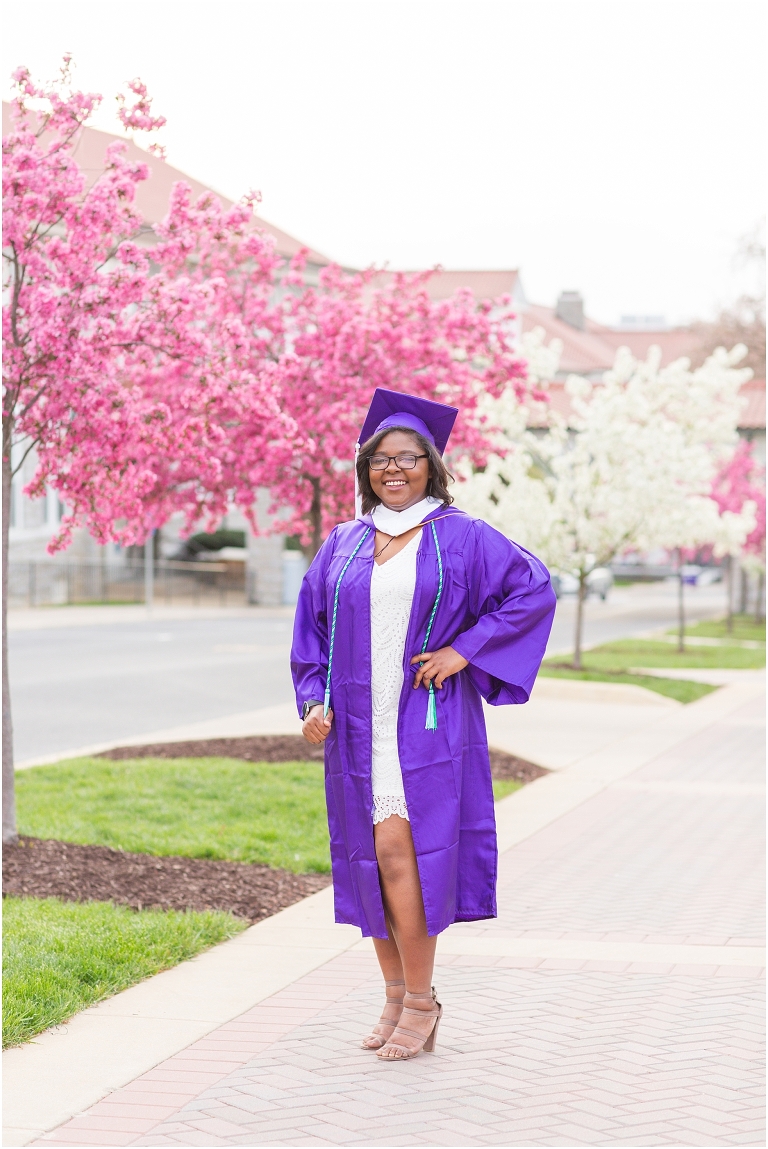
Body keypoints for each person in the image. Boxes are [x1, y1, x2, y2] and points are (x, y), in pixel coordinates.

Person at [291, 388, 555, 1060]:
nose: (395, 469)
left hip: (426, 723)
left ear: (432, 466)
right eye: (381, 459)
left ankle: (422, 999)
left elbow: (533, 588)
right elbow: (313, 630)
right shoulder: (345, 542)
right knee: (368, 862)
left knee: (404, 855)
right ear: (366, 469)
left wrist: (465, 648)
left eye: (408, 457)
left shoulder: (460, 535)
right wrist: (314, 700)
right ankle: (391, 991)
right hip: (355, 725)